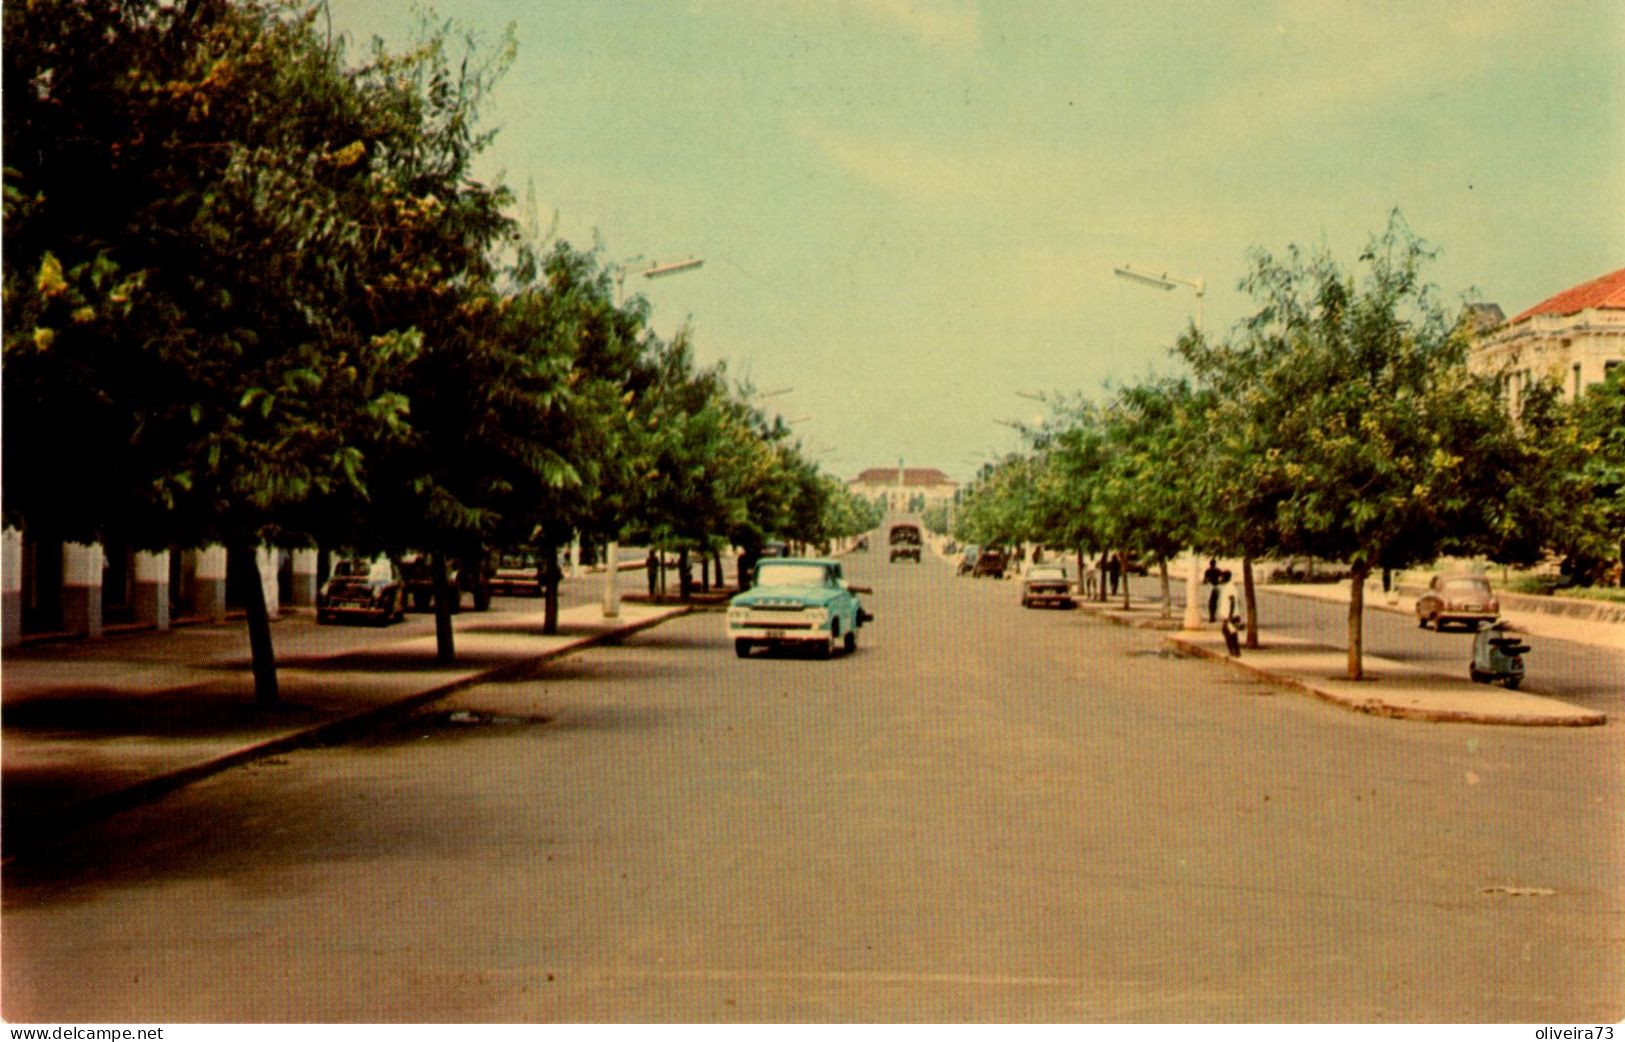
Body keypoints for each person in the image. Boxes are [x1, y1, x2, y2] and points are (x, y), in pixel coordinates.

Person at [1219, 570, 1243, 657]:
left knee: (1227, 632)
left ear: (1225, 578)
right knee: (1232, 633)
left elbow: (1232, 601)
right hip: (1231, 615)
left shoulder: (1229, 588)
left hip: (1231, 616)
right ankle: (1235, 651)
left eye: (1221, 577)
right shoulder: (1229, 587)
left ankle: (1233, 651)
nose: (1220, 579)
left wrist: (1230, 616)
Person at [1203, 557, 1223, 622]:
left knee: (1210, 603)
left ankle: (1211, 616)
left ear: (1210, 564)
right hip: (1216, 586)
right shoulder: (1218, 570)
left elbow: (1205, 581)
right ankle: (1214, 616)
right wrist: (1219, 582)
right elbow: (1222, 578)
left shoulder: (1207, 571)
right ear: (1215, 564)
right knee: (1215, 602)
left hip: (1210, 587)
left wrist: (1205, 582)